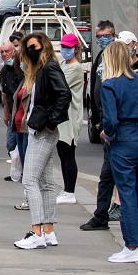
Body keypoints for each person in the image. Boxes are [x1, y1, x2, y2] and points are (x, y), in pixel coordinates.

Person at [99, 40, 138, 262]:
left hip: (123, 142)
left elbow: (110, 120)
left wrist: (108, 135)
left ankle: (131, 246)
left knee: (127, 194)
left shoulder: (109, 85)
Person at [13, 31, 71, 249]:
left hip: (42, 131)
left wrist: (52, 121)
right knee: (46, 183)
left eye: (34, 47)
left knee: (29, 180)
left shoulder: (49, 68)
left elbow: (64, 93)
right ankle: (48, 231)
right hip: (42, 129)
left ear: (44, 46)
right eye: (27, 48)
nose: (30, 51)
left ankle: (36, 231)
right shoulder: (42, 68)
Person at [80, 21, 120, 232]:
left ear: (114, 36)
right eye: (99, 36)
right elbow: (95, 88)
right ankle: (101, 215)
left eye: (106, 36)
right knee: (107, 176)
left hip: (114, 127)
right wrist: (96, 120)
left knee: (112, 175)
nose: (102, 40)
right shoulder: (100, 57)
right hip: (105, 122)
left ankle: (106, 214)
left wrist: (109, 128)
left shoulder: (117, 60)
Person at [55, 32, 86, 204]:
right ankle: (66, 188)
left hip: (70, 115)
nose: (64, 50)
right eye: (63, 46)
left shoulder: (76, 67)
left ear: (75, 48)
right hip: (62, 116)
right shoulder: (62, 64)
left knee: (68, 153)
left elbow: (59, 85)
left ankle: (70, 191)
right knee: (61, 152)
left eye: (67, 47)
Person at [0, 39, 24, 179]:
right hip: (12, 112)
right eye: (2, 52)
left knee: (21, 142)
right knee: (11, 143)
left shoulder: (21, 68)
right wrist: (6, 113)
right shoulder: (4, 70)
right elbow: (4, 93)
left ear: (13, 52)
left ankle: (21, 172)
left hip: (21, 111)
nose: (4, 54)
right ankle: (17, 170)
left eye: (7, 51)